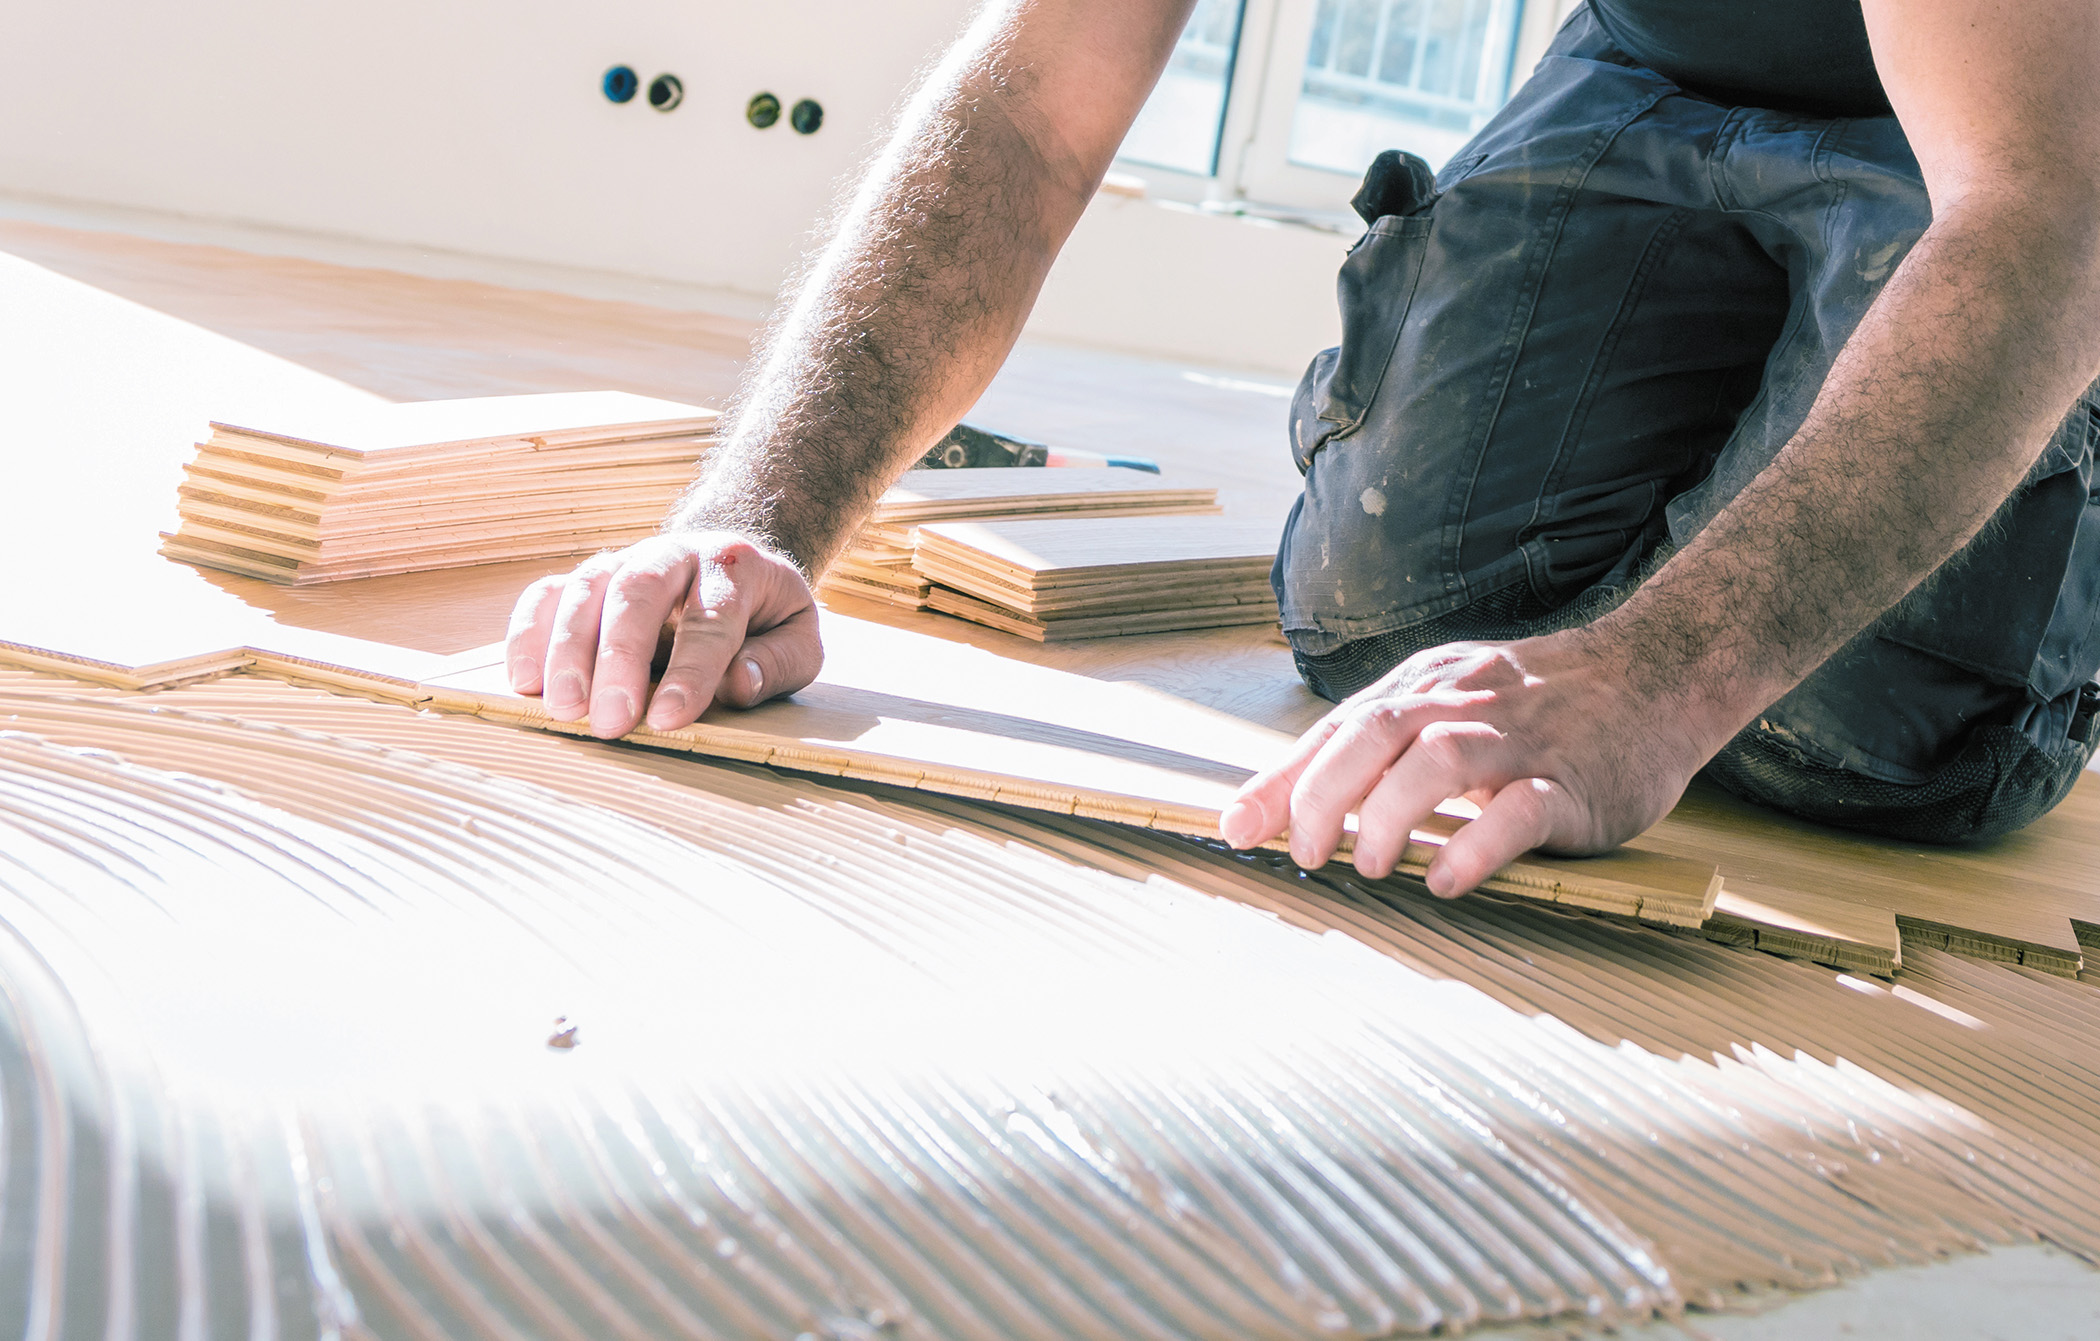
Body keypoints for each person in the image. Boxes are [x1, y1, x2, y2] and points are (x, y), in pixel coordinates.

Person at [504, 0, 2100, 898]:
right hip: (1656, 57)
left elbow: (2048, 204)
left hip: (2034, 120)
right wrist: (754, 514)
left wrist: (1659, 677)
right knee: (1403, 617)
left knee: (1858, 724)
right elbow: (1038, 99)